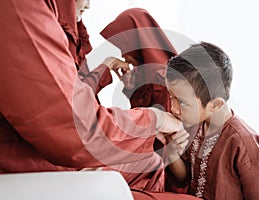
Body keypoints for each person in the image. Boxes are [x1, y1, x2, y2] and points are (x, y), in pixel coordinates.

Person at [0, 1, 203, 199]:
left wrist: (154, 125)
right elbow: (73, 111)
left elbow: (169, 150)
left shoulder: (164, 82)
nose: (123, 54)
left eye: (124, 46)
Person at [163, 42, 259, 199]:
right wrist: (172, 151)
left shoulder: (243, 144)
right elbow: (184, 179)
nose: (173, 108)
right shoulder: (193, 125)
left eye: (182, 102)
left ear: (215, 104)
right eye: (171, 97)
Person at [100, 8, 177, 112]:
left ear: (136, 44)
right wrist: (131, 88)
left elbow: (152, 125)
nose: (123, 55)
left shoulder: (161, 79)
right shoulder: (144, 72)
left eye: (124, 48)